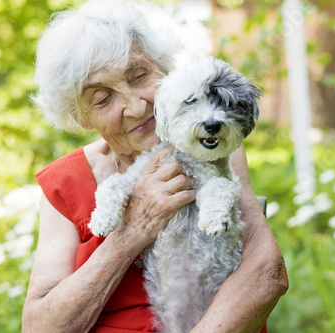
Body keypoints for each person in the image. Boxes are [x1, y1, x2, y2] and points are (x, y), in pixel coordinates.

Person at [22, 1, 288, 332]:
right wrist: (130, 232)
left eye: (139, 76)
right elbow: (41, 328)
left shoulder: (210, 144)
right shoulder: (63, 185)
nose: (136, 107)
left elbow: (266, 273)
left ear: (164, 69)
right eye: (103, 99)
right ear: (80, 117)